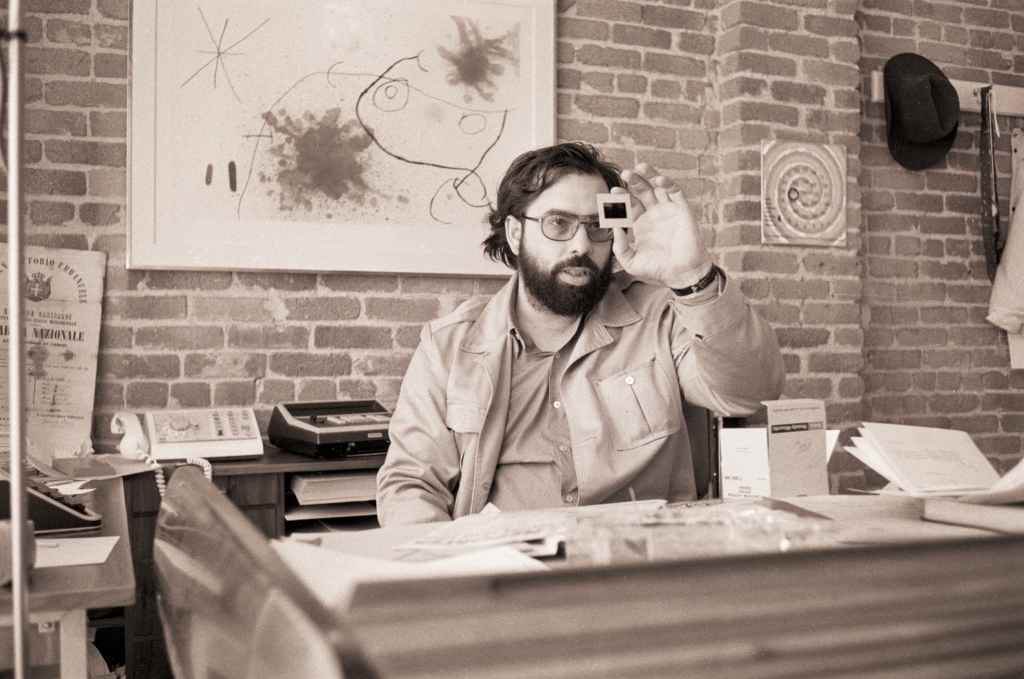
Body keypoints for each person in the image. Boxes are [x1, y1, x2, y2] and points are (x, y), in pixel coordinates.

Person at [376, 142, 785, 525]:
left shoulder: (662, 315)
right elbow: (411, 485)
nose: (581, 244)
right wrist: (449, 577)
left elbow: (747, 393)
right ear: (516, 234)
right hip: (503, 578)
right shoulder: (448, 346)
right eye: (558, 223)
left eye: (597, 226)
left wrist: (693, 276)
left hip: (640, 572)